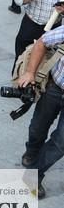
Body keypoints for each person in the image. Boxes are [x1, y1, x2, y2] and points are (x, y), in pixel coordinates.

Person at [17, 22, 64, 199]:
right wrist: (30, 72)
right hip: (55, 87)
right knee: (38, 127)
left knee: (61, 142)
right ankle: (32, 151)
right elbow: (42, 42)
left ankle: (33, 174)